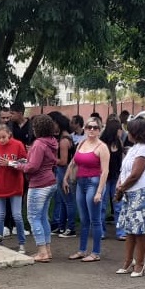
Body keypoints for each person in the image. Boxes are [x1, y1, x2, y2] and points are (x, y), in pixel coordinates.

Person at [113, 119, 145, 277]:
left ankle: (139, 263)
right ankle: (127, 260)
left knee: (140, 230)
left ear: (136, 133)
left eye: (130, 130)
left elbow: (135, 175)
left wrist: (120, 189)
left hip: (141, 192)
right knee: (130, 230)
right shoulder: (133, 149)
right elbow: (124, 171)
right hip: (129, 193)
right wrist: (120, 186)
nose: (127, 132)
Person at [64, 117, 110, 262]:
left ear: (100, 130)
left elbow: (105, 171)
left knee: (94, 219)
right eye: (89, 127)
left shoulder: (102, 147)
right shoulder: (82, 143)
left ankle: (96, 252)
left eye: (95, 127)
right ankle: (82, 250)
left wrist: (99, 192)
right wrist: (65, 177)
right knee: (84, 219)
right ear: (84, 128)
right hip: (80, 183)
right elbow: (73, 162)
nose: (91, 130)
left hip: (94, 182)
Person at [20, 114, 59, 262]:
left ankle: (42, 252)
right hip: (50, 182)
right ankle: (47, 250)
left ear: (37, 128)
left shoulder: (38, 144)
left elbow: (32, 167)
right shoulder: (52, 142)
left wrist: (18, 165)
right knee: (43, 217)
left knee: (33, 217)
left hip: (39, 184)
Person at [0, 124, 27, 253]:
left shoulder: (18, 144)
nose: (1, 140)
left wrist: (9, 163)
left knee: (17, 215)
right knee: (0, 215)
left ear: (9, 134)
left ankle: (22, 243)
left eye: (3, 137)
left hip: (15, 184)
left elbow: (24, 162)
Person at [47, 111, 76, 238]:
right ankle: (62, 226)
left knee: (68, 201)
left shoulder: (64, 140)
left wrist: (50, 158)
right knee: (64, 200)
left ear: (57, 123)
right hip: (62, 171)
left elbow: (64, 161)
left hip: (65, 172)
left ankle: (70, 228)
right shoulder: (64, 137)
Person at [100, 118, 126, 240]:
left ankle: (120, 232)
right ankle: (100, 231)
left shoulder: (119, 142)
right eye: (120, 129)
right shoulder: (102, 144)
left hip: (115, 177)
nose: (121, 131)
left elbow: (121, 160)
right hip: (104, 177)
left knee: (118, 204)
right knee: (102, 205)